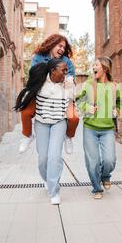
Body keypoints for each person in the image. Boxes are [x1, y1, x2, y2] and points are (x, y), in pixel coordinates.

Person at [14, 59, 73, 205]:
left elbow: (74, 102)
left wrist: (70, 89)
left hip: (59, 122)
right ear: (53, 71)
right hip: (42, 123)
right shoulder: (41, 83)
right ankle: (47, 178)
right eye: (63, 70)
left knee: (54, 156)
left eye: (66, 70)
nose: (66, 73)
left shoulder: (68, 84)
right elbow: (28, 95)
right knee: (43, 158)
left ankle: (54, 191)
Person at [19, 34, 79, 155]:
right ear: (52, 44)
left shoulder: (66, 61)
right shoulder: (38, 58)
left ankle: (68, 137)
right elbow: (34, 75)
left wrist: (66, 80)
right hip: (40, 94)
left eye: (64, 47)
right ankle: (28, 135)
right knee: (25, 112)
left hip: (61, 95)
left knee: (73, 118)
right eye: (60, 46)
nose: (62, 49)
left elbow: (70, 79)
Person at [77, 57, 121, 200]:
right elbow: (78, 101)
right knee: (93, 161)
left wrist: (117, 111)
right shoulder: (88, 84)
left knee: (110, 160)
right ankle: (96, 187)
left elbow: (118, 102)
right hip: (90, 128)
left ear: (105, 68)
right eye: (93, 65)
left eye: (96, 65)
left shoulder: (114, 86)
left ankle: (105, 175)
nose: (93, 67)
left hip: (107, 129)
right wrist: (86, 107)